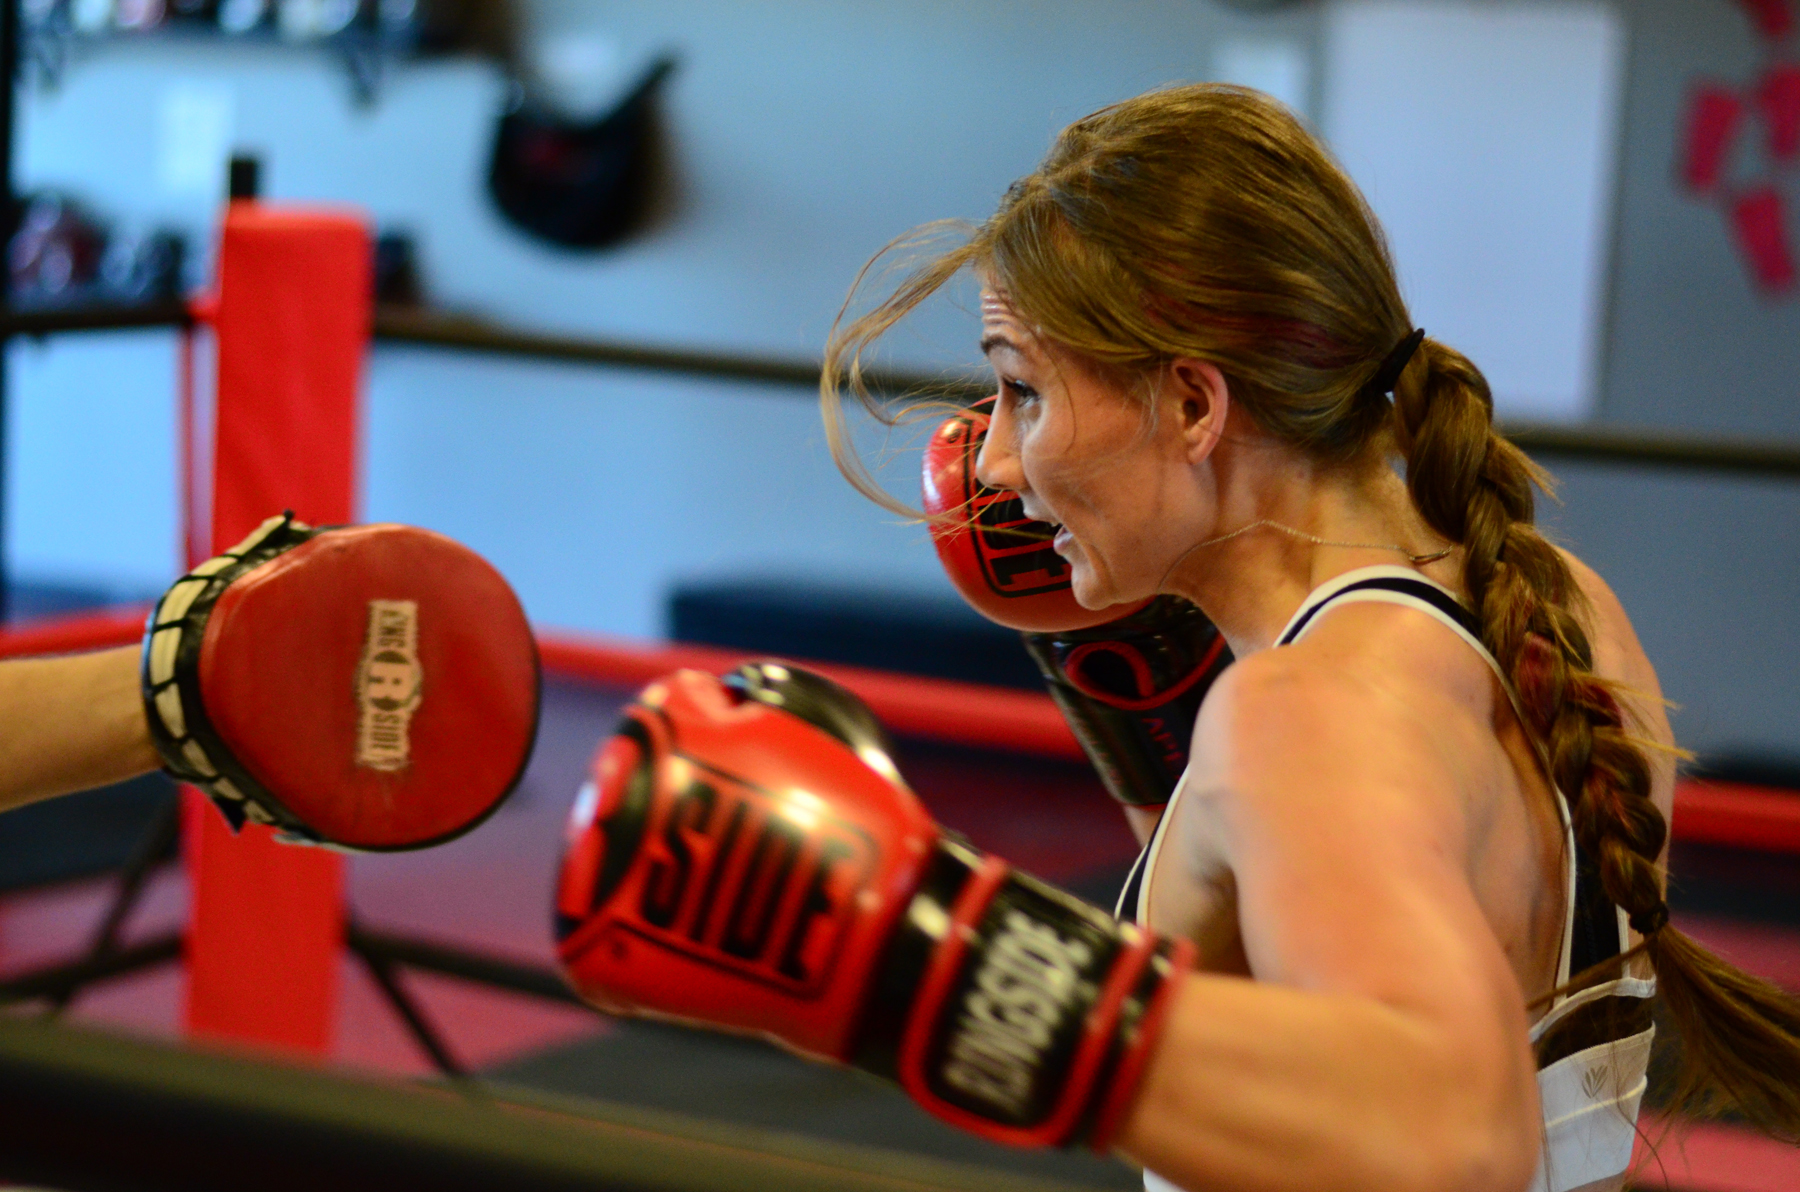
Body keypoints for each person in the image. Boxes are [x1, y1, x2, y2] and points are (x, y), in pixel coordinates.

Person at [814, 84, 1800, 1191]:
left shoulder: (1302, 716)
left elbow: (1460, 1136)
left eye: (1021, 389)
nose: (993, 460)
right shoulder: (1558, 604)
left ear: (1195, 405)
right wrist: (1156, 760)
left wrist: (920, 961)